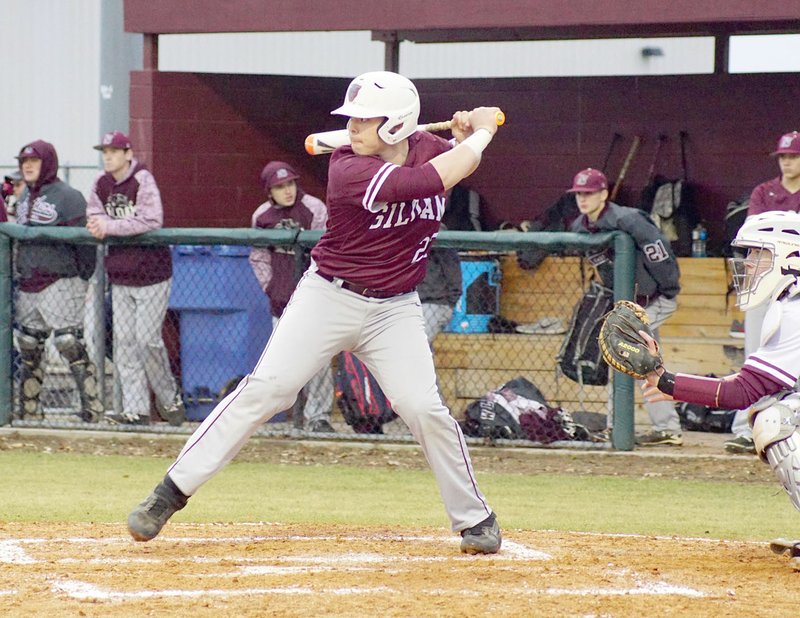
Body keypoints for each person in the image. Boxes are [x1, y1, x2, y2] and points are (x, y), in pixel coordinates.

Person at [127, 70, 504, 555]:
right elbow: (439, 176)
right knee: (269, 390)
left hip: (394, 309)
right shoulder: (349, 169)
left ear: (397, 125)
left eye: (365, 121)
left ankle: (475, 519)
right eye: (352, 120)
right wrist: (481, 132)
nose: (352, 129)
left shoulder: (430, 148)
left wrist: (459, 134)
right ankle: (169, 493)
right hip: (329, 296)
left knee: (423, 408)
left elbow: (445, 159)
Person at [641, 210, 800, 547]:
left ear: (790, 256)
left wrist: (667, 382)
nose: (750, 264)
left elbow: (741, 392)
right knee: (778, 403)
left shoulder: (794, 312)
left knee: (777, 419)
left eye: (760, 253)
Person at [567, 168, 683, 446]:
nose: (583, 199)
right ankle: (666, 428)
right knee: (647, 365)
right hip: (628, 304)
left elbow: (660, 251)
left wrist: (668, 288)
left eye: (589, 193)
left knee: (621, 353)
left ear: (604, 194)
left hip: (655, 299)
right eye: (579, 194)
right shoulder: (579, 227)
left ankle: (618, 425)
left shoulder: (628, 219)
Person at [86, 131, 185, 426]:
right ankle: (136, 409)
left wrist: (110, 225)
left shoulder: (142, 178)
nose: (108, 156)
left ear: (128, 154)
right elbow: (93, 216)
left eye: (114, 151)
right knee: (125, 343)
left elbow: (152, 220)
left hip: (152, 274)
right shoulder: (100, 183)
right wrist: (104, 224)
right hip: (120, 274)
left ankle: (169, 397)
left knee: (146, 341)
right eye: (105, 152)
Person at [13, 140, 104, 422]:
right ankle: (30, 411)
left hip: (62, 280)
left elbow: (85, 243)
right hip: (29, 282)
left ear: (48, 163)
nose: (27, 166)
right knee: (28, 343)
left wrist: (82, 275)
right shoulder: (25, 197)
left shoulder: (69, 196)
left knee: (68, 342)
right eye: (23, 161)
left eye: (34, 161)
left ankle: (93, 409)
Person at [725, 131, 800, 454]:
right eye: (783, 157)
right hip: (765, 280)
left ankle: (786, 422)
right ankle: (746, 426)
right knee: (755, 353)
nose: (787, 162)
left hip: (795, 283)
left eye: (793, 156)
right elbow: (753, 235)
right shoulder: (764, 191)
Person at [248, 160, 335, 433]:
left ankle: (318, 417)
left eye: (290, 184)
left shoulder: (314, 208)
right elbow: (258, 255)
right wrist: (270, 286)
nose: (287, 190)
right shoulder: (262, 216)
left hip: (314, 300)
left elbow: (327, 252)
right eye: (279, 186)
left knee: (317, 360)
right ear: (269, 191)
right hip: (281, 301)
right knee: (280, 362)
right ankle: (270, 415)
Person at [417, 245, 462, 343]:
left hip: (435, 303)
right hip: (410, 301)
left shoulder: (443, 246)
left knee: (418, 344)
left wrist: (449, 302)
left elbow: (455, 281)